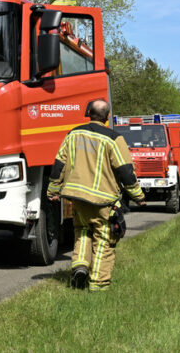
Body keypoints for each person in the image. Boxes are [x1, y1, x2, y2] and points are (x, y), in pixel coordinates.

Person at [47, 99, 145, 292]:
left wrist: (53, 191)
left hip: (77, 198)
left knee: (82, 231)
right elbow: (125, 171)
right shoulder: (114, 139)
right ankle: (98, 285)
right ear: (107, 117)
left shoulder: (73, 134)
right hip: (103, 201)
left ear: (88, 113)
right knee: (103, 239)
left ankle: (80, 266)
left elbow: (59, 164)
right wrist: (138, 196)